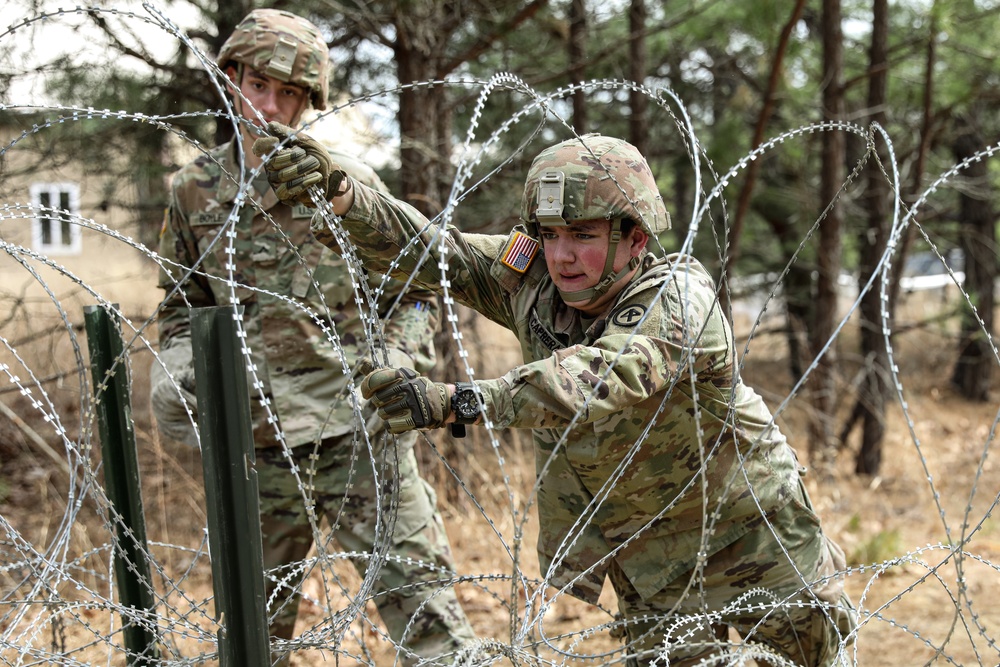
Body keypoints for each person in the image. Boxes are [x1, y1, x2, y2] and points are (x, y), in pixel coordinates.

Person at [253, 126, 858, 666]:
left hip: (752, 538)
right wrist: (341, 195)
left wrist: (453, 402)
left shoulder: (677, 300)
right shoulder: (533, 279)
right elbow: (439, 253)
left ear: (636, 238)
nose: (562, 255)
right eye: (549, 234)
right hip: (649, 563)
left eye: (585, 235)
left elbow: (597, 377)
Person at [149, 9, 475, 666]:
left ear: (306, 104)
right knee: (249, 639)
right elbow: (184, 305)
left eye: (289, 94)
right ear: (230, 77)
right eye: (257, 85)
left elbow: (417, 286)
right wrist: (179, 367)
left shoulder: (344, 186)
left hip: (359, 433)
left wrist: (400, 355)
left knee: (432, 627)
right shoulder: (193, 193)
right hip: (260, 445)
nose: (269, 107)